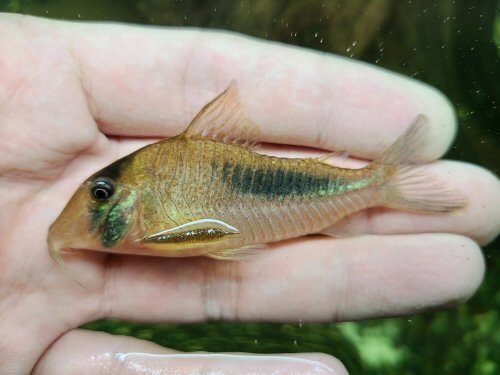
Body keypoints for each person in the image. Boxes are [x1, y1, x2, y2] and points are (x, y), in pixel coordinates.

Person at [0, 13, 498, 375]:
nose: (99, 200)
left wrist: (371, 184)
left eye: (102, 192)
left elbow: (208, 236)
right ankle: (382, 185)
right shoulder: (144, 216)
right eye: (100, 192)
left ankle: (383, 185)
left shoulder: (151, 219)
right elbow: (211, 237)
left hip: (296, 188)